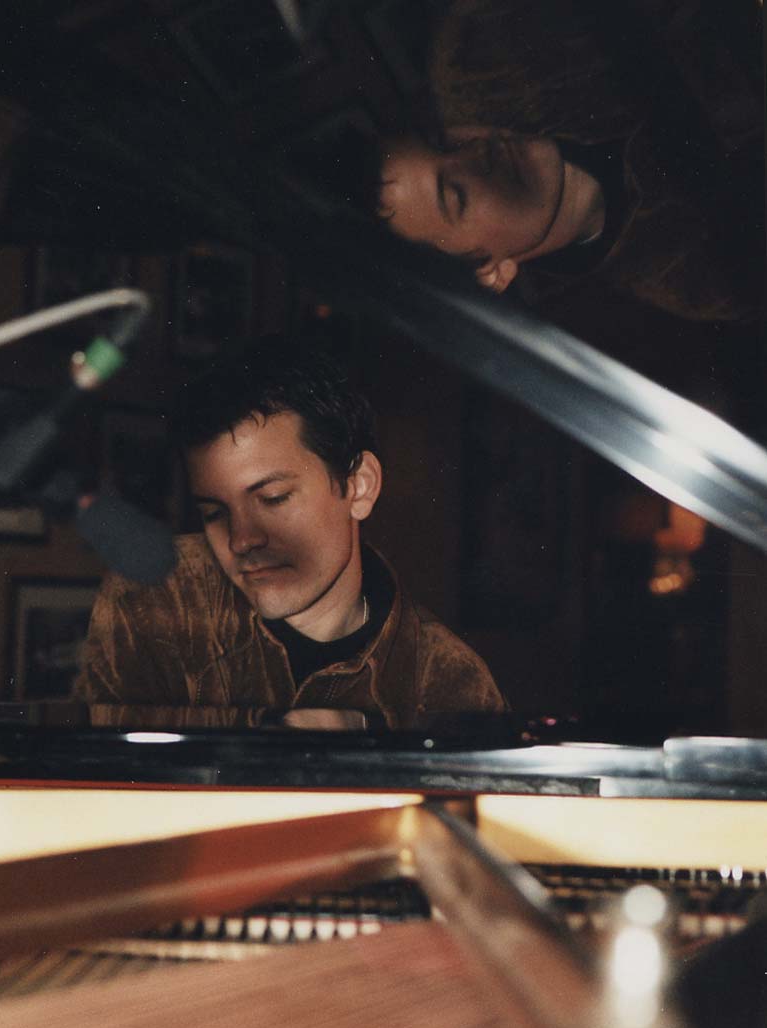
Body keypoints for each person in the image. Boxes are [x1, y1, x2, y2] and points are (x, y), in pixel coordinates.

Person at [75, 336, 506, 730]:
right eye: (214, 513)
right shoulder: (154, 600)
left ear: (359, 486)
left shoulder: (450, 682)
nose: (242, 539)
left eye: (275, 498)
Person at [378, 0, 763, 326]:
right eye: (456, 194)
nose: (476, 151)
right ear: (489, 274)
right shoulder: (696, 272)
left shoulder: (480, 40)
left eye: (440, 140)